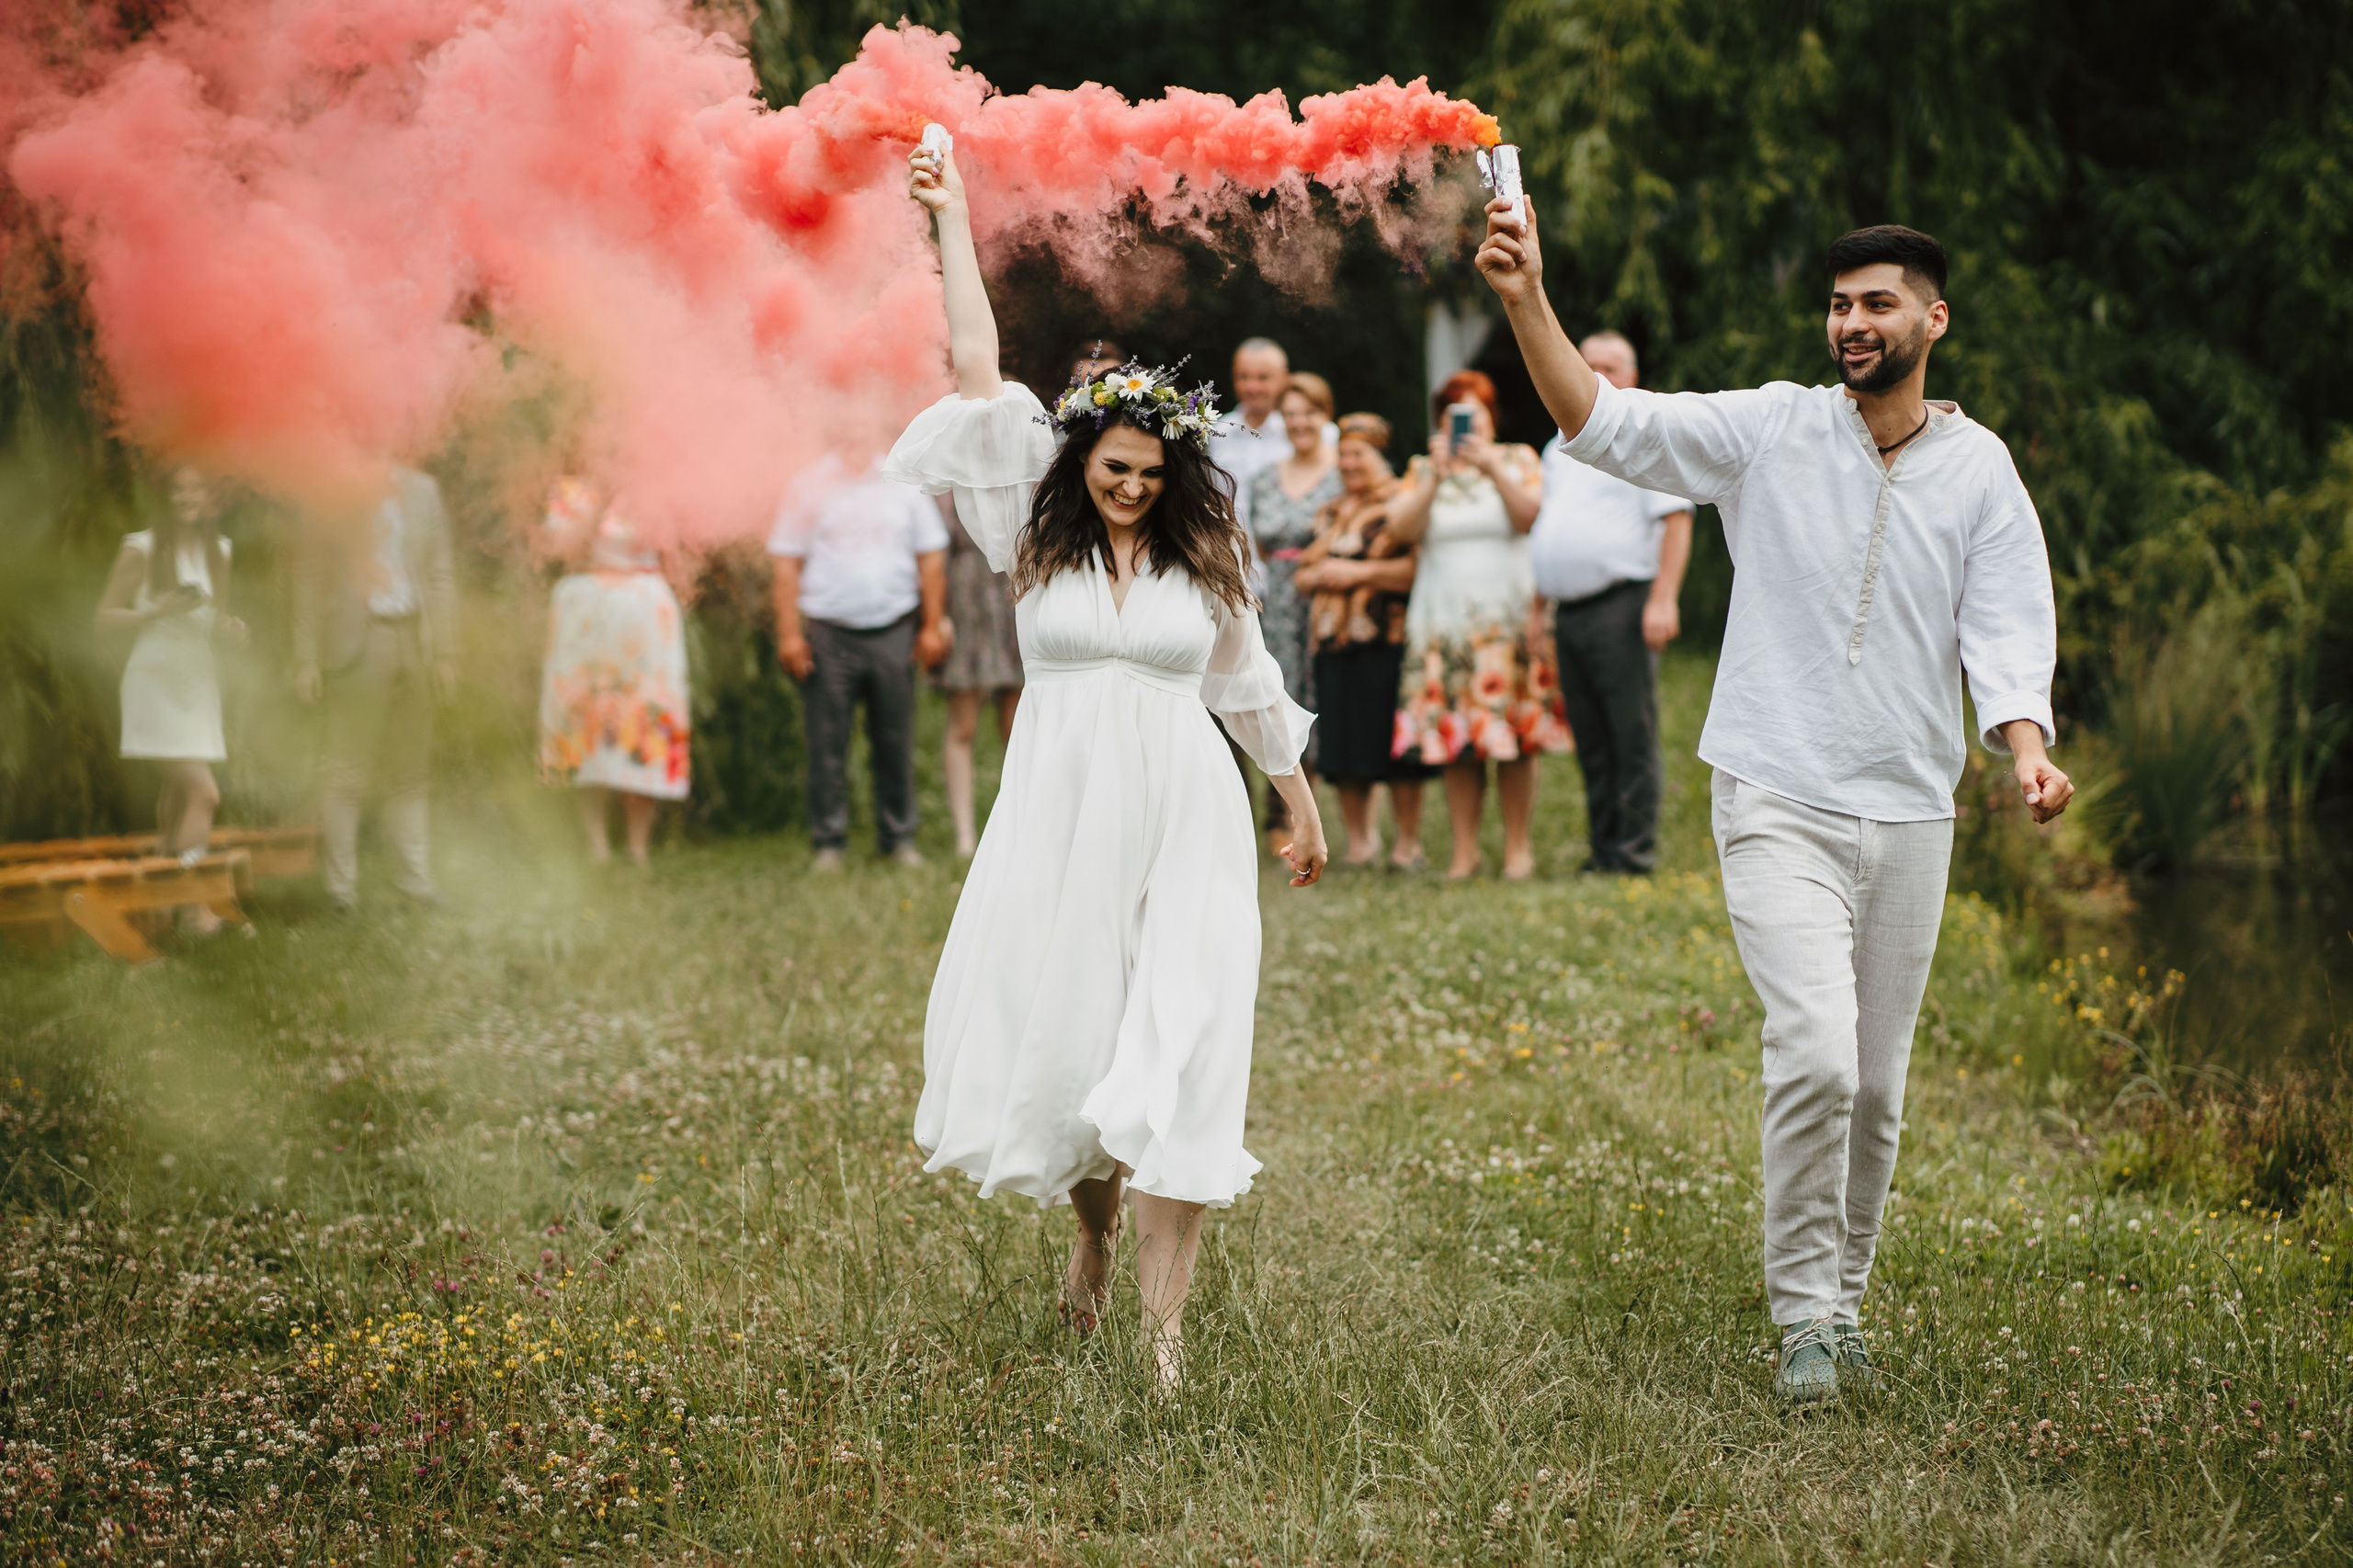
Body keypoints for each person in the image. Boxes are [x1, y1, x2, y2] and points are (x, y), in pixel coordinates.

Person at [1478, 208, 2073, 1403]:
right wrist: (1525, 295)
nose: (1853, 323)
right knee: (1815, 1050)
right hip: (1776, 786)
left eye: (1878, 302)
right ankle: (1804, 1313)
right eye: (1841, 303)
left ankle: (1845, 1304)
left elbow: (2006, 626)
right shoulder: (1771, 428)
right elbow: (1603, 420)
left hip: (1910, 808)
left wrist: (2024, 746)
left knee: (1880, 1081)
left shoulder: (1981, 469)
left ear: (1933, 319)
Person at [895, 142, 1328, 1386]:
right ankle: (1090, 1240)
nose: (1132, 485)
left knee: (1183, 1033)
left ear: (1176, 470)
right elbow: (978, 369)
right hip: (1059, 807)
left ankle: (1165, 1329)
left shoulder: (1208, 558)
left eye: (1151, 471)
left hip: (1184, 807)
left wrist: (1297, 803)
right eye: (1114, 467)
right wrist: (953, 216)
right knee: (1082, 1032)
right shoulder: (1031, 534)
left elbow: (1245, 681)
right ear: (1082, 460)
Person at [1386, 369, 1567, 881]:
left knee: (1514, 736)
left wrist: (1492, 468)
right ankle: (1464, 851)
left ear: (1491, 420)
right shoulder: (1423, 468)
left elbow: (1532, 518)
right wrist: (1436, 478)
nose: (1467, 427)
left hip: (1505, 621)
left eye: (1475, 416)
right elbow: (1400, 530)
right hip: (1443, 624)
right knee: (1456, 738)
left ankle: (1517, 849)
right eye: (1454, 418)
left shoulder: (1519, 459)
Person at [1529, 331, 1694, 874]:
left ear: (1634, 377)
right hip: (1570, 611)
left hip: (1623, 603)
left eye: (1612, 367)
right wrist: (1538, 611)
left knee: (1630, 732)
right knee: (1592, 737)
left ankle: (1633, 852)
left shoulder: (1643, 435)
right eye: (1588, 364)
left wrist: (1663, 599)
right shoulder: (1559, 445)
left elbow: (1675, 520)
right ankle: (1603, 849)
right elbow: (1549, 527)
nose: (1598, 376)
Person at [767, 454, 952, 869]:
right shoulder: (806, 483)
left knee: (895, 738)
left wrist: (932, 624)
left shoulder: (904, 480)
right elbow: (784, 561)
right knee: (827, 743)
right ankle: (829, 842)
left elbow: (932, 556)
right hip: (828, 634)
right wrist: (790, 634)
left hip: (894, 628)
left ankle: (899, 838)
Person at [293, 464, 456, 913]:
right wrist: (307, 657)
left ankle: (417, 886)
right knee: (347, 772)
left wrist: (445, 653)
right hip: (355, 644)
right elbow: (309, 575)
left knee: (411, 774)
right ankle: (340, 893)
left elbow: (439, 573)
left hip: (415, 642)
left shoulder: (424, 489)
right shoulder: (328, 490)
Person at [93, 463, 248, 934]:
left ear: (211, 498)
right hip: (154, 679)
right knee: (204, 792)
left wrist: (232, 628)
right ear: (165, 496)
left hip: (198, 679)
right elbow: (103, 617)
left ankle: (158, 908)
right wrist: (158, 609)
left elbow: (218, 617)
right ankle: (192, 908)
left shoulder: (220, 551)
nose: (188, 497)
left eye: (198, 488)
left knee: (180, 796)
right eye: (178, 488)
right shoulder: (141, 549)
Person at [1291, 414, 1428, 868]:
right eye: (1344, 454)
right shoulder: (1331, 510)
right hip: (1333, 639)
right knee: (1345, 744)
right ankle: (1360, 842)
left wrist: (1357, 573)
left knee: (1396, 746)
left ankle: (1408, 844)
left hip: (1387, 636)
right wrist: (1320, 576)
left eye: (1359, 454)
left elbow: (1416, 570)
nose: (1349, 463)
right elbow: (1303, 574)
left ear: (1379, 457)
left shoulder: (1402, 502)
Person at [537, 479, 690, 866]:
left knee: (645, 720)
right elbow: (559, 550)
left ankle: (638, 847)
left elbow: (681, 548)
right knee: (582, 719)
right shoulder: (569, 492)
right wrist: (597, 507)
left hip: (644, 609)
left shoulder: (655, 482)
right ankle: (597, 846)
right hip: (585, 610)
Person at [1244, 371, 1341, 853]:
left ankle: (1314, 816)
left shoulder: (1343, 475)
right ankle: (1278, 816)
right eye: (1293, 414)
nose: (1301, 422)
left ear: (1326, 417)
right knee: (1278, 702)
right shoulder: (1263, 480)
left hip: (1329, 603)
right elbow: (1260, 543)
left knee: (1320, 701)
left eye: (1310, 413)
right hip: (1276, 604)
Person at [934, 487, 1022, 860]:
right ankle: (965, 836)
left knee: (1019, 729)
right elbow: (933, 555)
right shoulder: (947, 487)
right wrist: (936, 617)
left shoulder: (1025, 478)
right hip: (965, 606)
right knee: (963, 725)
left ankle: (1020, 826)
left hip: (1014, 600)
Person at [1205, 337, 1294, 530]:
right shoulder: (1215, 434)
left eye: (1263, 378)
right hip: (1227, 553)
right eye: (1243, 377)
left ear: (1284, 378)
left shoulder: (1302, 433)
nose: (1252, 387)